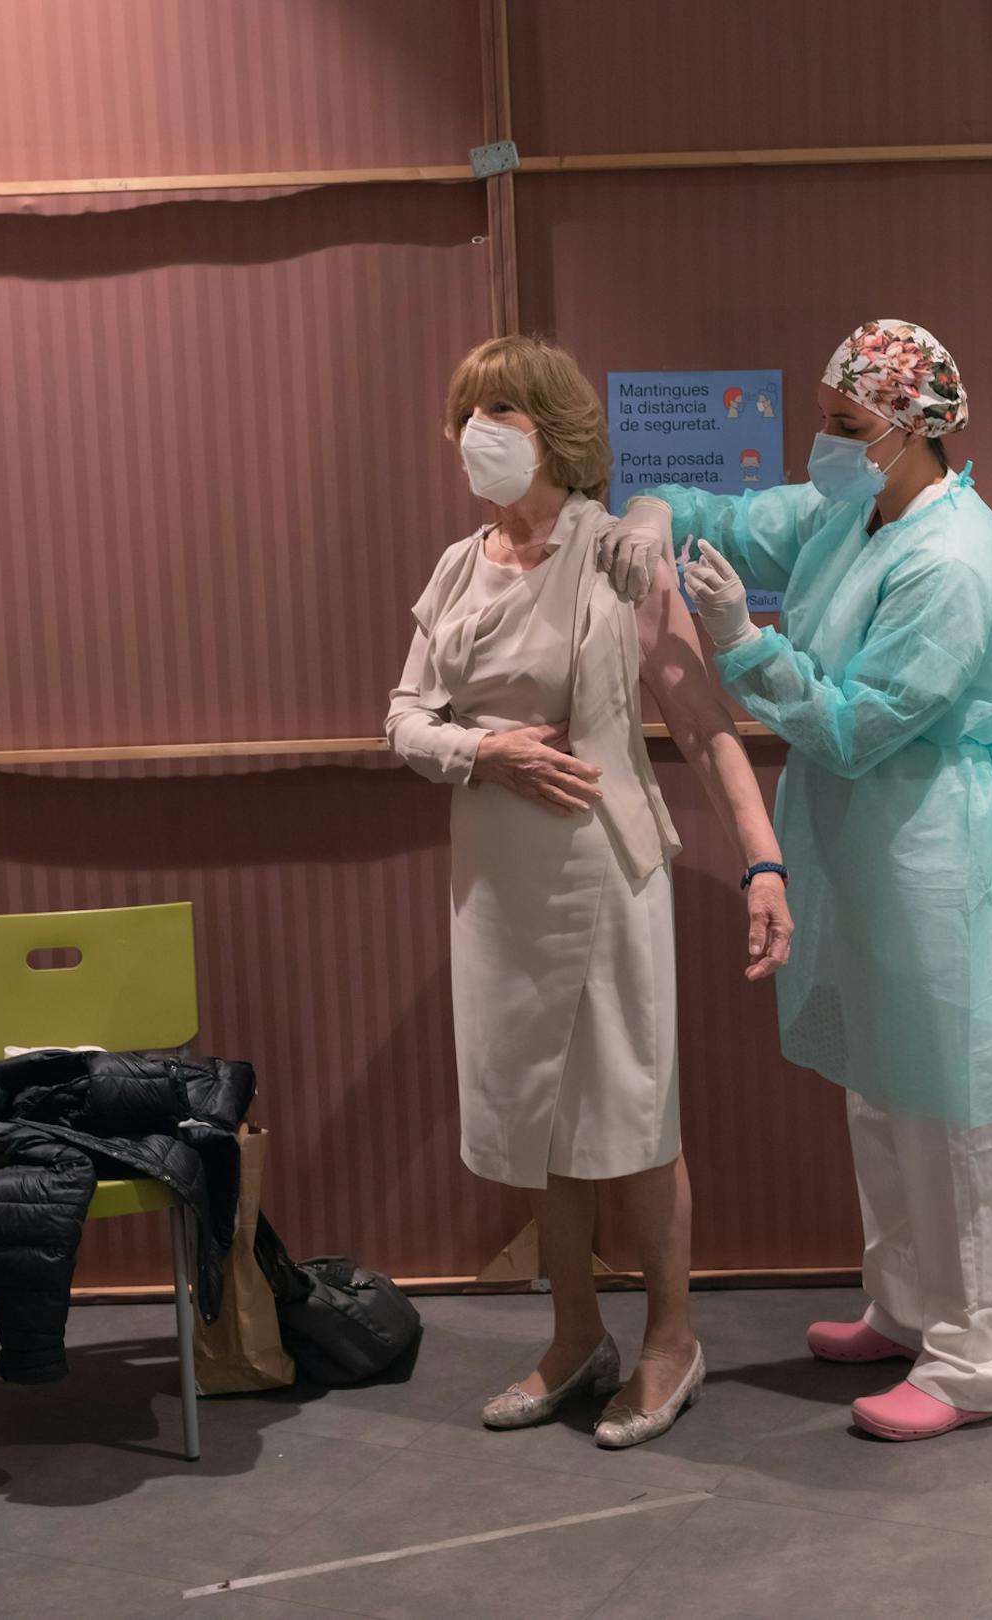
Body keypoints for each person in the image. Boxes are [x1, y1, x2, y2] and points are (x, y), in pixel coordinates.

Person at [599, 320, 992, 1442]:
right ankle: (906, 1306)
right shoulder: (859, 511)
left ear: (916, 431)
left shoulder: (951, 560)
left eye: (847, 425)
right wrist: (658, 508)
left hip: (942, 844)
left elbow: (856, 727)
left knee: (952, 1107)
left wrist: (743, 643)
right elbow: (742, 516)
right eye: (825, 415)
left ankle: (973, 1359)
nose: (823, 441)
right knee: (883, 1084)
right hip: (870, 845)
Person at [386, 335, 793, 1449]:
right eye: (470, 409)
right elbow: (404, 719)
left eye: (504, 409)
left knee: (630, 1112)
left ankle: (671, 1339)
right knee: (533, 1118)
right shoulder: (457, 567)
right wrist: (487, 753)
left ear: (554, 428)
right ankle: (576, 1337)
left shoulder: (617, 558)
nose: (481, 430)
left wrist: (764, 864)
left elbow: (704, 727)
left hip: (605, 875)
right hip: (496, 887)